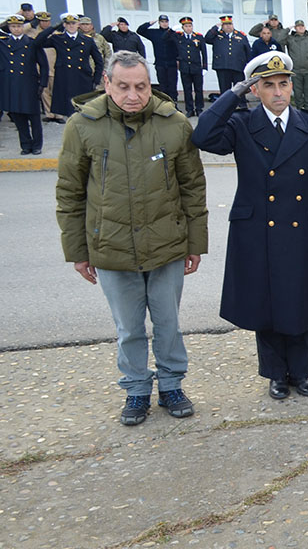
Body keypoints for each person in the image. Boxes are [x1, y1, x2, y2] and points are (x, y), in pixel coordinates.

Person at [55, 50, 208, 425]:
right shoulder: (81, 126)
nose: (133, 95)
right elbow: (70, 193)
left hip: (166, 246)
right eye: (123, 86)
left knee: (168, 324)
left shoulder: (174, 125)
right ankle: (137, 389)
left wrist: (195, 244)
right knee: (128, 328)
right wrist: (77, 251)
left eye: (140, 86)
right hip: (111, 248)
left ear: (149, 84)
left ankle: (172, 384)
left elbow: (193, 188)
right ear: (107, 84)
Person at [191, 51, 308, 400]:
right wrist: (233, 94)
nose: (278, 92)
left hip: (300, 226)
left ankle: (301, 371)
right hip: (257, 227)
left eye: (283, 84)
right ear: (256, 91)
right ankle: (274, 373)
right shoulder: (242, 125)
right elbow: (203, 137)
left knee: (298, 300)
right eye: (268, 85)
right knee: (267, 301)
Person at [35, 14, 103, 121]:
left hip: (83, 79)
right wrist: (53, 28)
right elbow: (37, 42)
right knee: (70, 115)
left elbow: (99, 61)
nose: (71, 26)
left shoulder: (87, 40)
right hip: (65, 79)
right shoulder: (58, 38)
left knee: (84, 113)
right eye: (67, 23)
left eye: (73, 23)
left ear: (78, 25)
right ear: (64, 25)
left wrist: (96, 80)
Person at [0, 14, 48, 154]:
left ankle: (37, 145)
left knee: (34, 117)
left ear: (23, 27)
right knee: (18, 117)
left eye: (19, 26)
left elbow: (43, 64)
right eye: (13, 27)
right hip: (12, 85)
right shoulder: (4, 43)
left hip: (29, 84)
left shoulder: (31, 43)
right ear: (9, 28)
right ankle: (25, 145)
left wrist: (43, 83)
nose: (16, 29)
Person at [205, 16, 252, 108]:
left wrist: (249, 66)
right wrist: (215, 27)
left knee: (240, 88)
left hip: (238, 66)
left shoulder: (241, 35)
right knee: (225, 89)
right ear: (222, 26)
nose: (228, 26)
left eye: (229, 24)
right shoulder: (217, 35)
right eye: (225, 24)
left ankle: (242, 105)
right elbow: (207, 39)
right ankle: (225, 107)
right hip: (223, 66)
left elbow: (248, 51)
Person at [137, 15, 180, 104]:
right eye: (162, 22)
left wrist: (178, 60)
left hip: (172, 63)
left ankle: (173, 103)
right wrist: (150, 23)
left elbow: (178, 48)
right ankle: (163, 104)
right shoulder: (154, 33)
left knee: (172, 85)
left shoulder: (174, 33)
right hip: (160, 63)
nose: (164, 24)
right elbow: (140, 30)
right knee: (163, 85)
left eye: (166, 22)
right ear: (159, 22)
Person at [174, 17, 207, 117]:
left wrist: (204, 67)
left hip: (196, 67)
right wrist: (172, 29)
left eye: (190, 26)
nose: (188, 28)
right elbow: (166, 38)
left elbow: (204, 53)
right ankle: (189, 109)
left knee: (198, 89)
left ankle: (199, 108)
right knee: (187, 90)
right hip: (184, 68)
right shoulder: (178, 37)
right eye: (186, 26)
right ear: (182, 27)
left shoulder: (199, 37)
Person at [286, 20, 308, 112]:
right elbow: (279, 39)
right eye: (298, 26)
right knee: (298, 92)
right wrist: (288, 29)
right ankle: (299, 110)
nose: (301, 27)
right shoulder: (290, 39)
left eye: (302, 26)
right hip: (296, 70)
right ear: (295, 28)